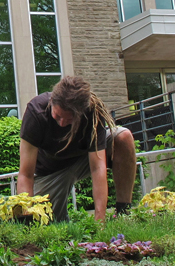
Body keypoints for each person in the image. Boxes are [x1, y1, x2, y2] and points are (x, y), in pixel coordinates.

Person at [17, 76, 137, 222]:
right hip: (50, 173)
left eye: (69, 120)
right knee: (45, 223)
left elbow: (97, 168)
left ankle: (124, 214)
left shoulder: (93, 112)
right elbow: (25, 174)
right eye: (58, 116)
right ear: (52, 102)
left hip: (83, 160)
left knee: (123, 137)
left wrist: (99, 221)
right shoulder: (36, 112)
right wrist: (27, 214)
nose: (62, 123)